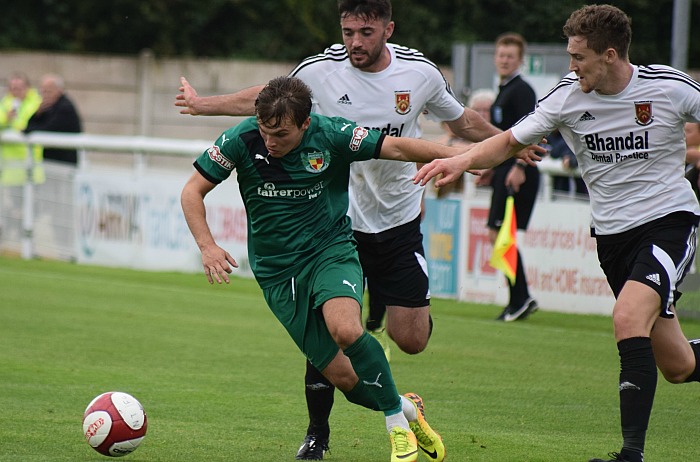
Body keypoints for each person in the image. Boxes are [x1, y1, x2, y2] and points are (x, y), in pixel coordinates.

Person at [174, 1, 503, 459]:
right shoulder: (245, 135)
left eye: (282, 135)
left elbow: (397, 144)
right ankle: (402, 410)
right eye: (348, 31)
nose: (271, 142)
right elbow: (193, 191)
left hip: (335, 245)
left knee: (355, 329)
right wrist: (207, 246)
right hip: (276, 272)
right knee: (346, 377)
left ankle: (395, 429)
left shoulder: (332, 131)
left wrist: (464, 157)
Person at [415, 5, 700, 462]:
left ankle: (631, 455)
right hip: (612, 237)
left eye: (578, 57)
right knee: (678, 365)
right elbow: (508, 142)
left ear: (609, 55)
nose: (571, 66)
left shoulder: (667, 87)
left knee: (628, 319)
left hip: (668, 222)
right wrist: (460, 160)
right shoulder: (566, 96)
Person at [485, 32, 539, 322]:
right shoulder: (504, 89)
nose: (504, 60)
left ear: (520, 60)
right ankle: (519, 298)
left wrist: (520, 168)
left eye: (510, 56)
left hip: (517, 172)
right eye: (501, 55)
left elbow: (531, 131)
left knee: (501, 235)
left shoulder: (522, 91)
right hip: (503, 170)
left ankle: (519, 298)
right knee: (499, 236)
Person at [25, 74, 82, 165]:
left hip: (64, 163)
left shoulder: (65, 107)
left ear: (59, 90)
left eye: (49, 91)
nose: (45, 95)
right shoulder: (49, 107)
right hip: (52, 161)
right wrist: (38, 113)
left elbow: (45, 130)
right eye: (43, 92)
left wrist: (28, 130)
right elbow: (29, 125)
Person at [0, 72, 43, 185]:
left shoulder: (37, 103)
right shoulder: (5, 104)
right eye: (13, 88)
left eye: (20, 88)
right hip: (12, 167)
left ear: (27, 88)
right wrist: (6, 118)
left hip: (32, 163)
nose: (16, 91)